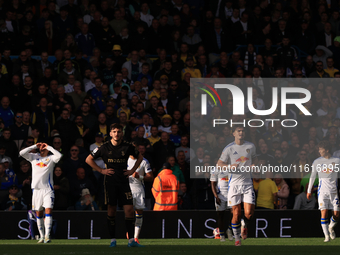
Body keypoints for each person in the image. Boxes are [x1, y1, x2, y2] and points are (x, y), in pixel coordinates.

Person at [85, 123, 144, 248]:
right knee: (112, 211)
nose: (117, 134)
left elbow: (140, 157)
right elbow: (88, 159)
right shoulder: (104, 147)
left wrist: (132, 170)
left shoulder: (128, 146)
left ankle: (131, 241)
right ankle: (113, 239)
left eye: (119, 131)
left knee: (129, 211)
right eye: (114, 131)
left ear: (122, 133)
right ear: (110, 133)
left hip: (124, 182)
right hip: (110, 182)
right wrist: (101, 171)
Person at [216, 125, 257, 246]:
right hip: (234, 184)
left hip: (247, 182)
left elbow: (255, 159)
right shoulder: (229, 148)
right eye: (238, 131)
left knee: (249, 213)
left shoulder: (251, 146)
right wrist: (229, 167)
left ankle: (244, 225)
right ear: (233, 133)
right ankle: (237, 238)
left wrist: (254, 165)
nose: (241, 133)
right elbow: (219, 164)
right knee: (236, 213)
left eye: (243, 131)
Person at [19, 142, 62, 243]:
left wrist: (49, 147)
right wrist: (34, 146)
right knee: (38, 213)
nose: (42, 149)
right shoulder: (33, 157)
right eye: (41, 148)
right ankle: (41, 236)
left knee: (48, 211)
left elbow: (59, 156)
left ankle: (47, 235)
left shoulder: (51, 158)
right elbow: (21, 153)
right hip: (36, 190)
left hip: (48, 189)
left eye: (44, 148)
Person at [307, 141, 340, 242]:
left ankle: (331, 227)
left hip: (334, 191)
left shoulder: (337, 160)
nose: (319, 151)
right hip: (322, 191)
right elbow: (312, 176)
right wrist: (309, 190)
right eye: (319, 149)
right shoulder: (317, 162)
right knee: (324, 212)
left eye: (321, 150)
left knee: (337, 214)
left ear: (327, 150)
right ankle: (326, 236)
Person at [127, 153, 154, 243]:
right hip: (128, 190)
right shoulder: (125, 160)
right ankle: (129, 232)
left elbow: (150, 177)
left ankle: (135, 237)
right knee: (129, 212)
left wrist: (140, 177)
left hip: (139, 190)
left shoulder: (144, 161)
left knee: (139, 213)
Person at [210, 167, 233, 242]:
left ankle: (229, 230)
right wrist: (216, 196)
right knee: (221, 215)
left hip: (231, 195)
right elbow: (213, 183)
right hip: (220, 195)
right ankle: (222, 235)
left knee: (233, 213)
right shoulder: (215, 169)